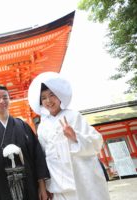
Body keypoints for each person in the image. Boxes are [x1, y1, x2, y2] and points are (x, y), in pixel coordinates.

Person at [28, 71, 110, 200]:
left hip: (81, 179)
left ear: (59, 96)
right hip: (57, 183)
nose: (48, 100)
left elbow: (97, 142)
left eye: (52, 95)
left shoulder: (73, 116)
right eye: (43, 98)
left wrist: (75, 136)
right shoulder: (42, 127)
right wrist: (44, 186)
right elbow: (43, 157)